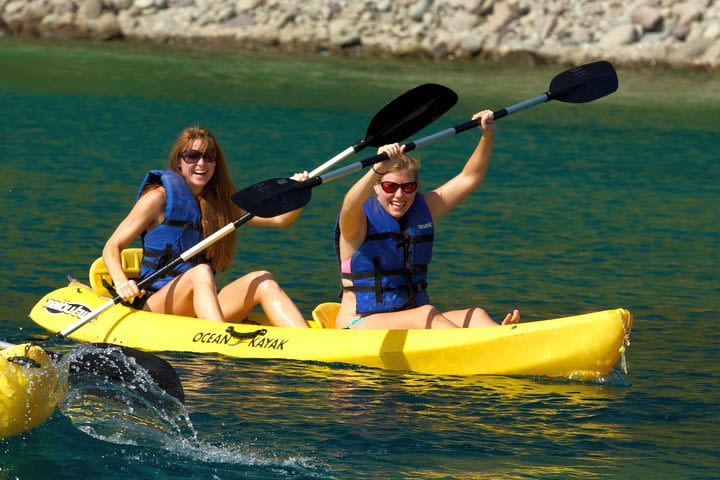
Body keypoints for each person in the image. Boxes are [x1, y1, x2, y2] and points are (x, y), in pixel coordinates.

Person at [102, 125, 309, 328]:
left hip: (198, 303)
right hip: (155, 303)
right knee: (201, 272)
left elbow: (279, 220)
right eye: (192, 156)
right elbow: (112, 246)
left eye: (209, 157)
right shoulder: (157, 198)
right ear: (179, 162)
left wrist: (297, 191)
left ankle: (306, 341)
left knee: (263, 280)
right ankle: (219, 342)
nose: (201, 163)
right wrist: (122, 282)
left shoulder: (219, 204)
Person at [334, 110, 521, 329]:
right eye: (390, 186)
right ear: (376, 186)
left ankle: (503, 339)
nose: (399, 195)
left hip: (411, 318)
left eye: (408, 187)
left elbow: (470, 177)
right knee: (426, 315)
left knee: (476, 315)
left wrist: (487, 137)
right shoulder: (357, 221)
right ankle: (486, 349)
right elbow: (349, 205)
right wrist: (376, 169)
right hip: (358, 322)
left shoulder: (420, 209)